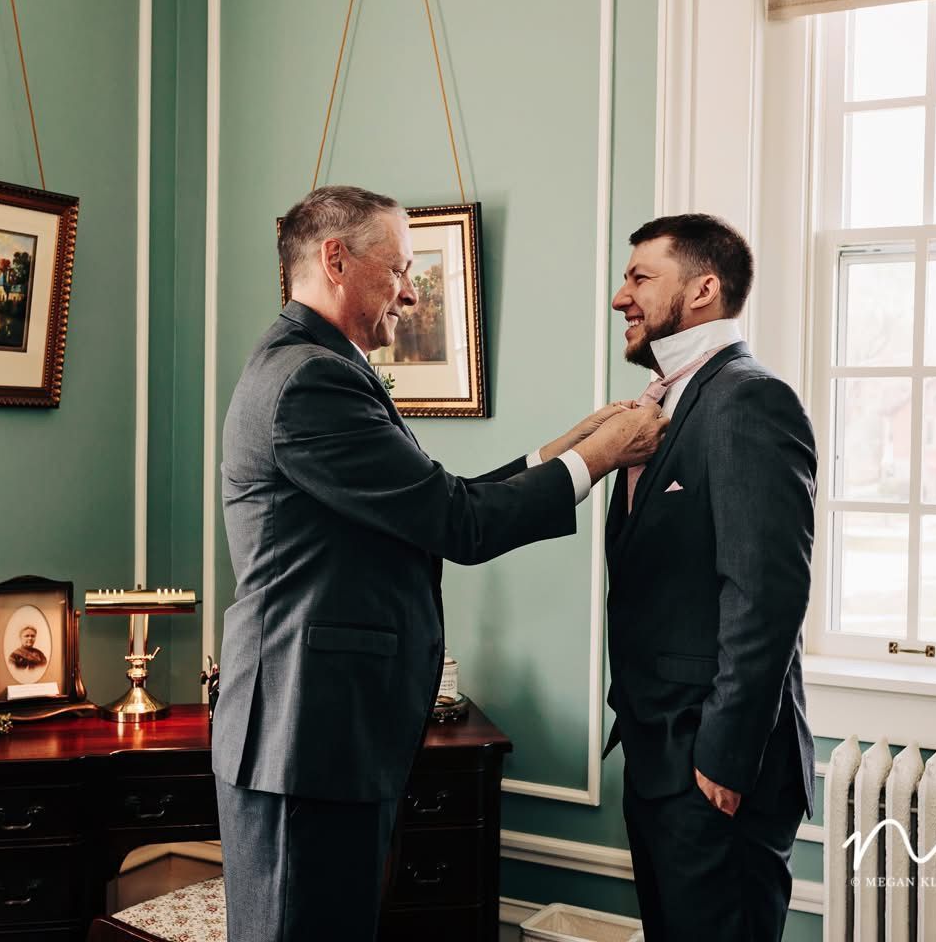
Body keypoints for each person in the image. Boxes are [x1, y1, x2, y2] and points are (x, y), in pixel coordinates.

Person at [214, 184, 668, 942]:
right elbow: (457, 523)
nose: (410, 291)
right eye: (398, 269)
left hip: (326, 733)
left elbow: (427, 507)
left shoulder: (316, 366)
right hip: (306, 737)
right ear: (335, 258)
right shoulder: (310, 380)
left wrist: (563, 448)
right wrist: (599, 459)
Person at [602, 214, 817, 941]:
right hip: (658, 752)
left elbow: (767, 593)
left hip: (715, 768)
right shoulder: (669, 403)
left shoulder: (748, 399)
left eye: (639, 277)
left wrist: (722, 760)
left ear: (703, 289)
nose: (619, 297)